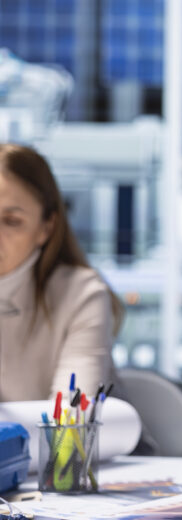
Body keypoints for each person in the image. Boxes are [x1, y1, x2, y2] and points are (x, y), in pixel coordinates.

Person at [0, 144, 123, 401]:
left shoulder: (82, 295)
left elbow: (70, 426)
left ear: (47, 227)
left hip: (90, 442)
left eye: (12, 221)